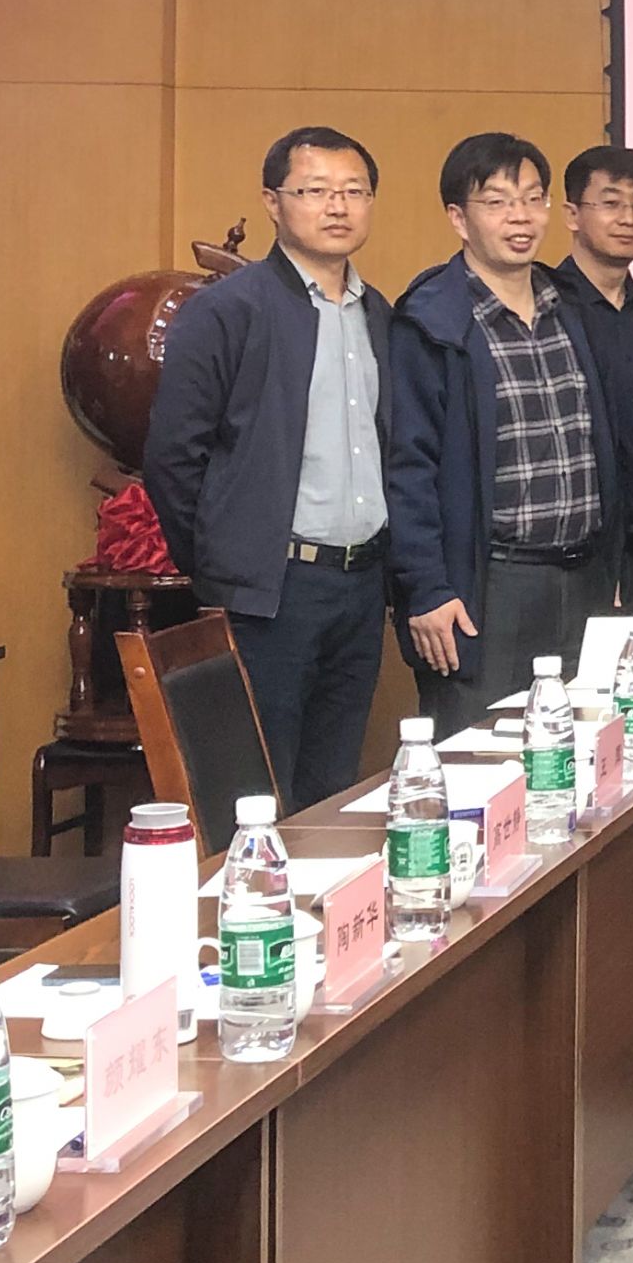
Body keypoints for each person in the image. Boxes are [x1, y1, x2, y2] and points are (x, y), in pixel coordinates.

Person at [139, 125, 394, 810]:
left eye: (354, 191)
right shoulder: (227, 310)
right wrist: (225, 558)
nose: (337, 206)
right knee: (258, 793)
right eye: (315, 191)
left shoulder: (377, 313)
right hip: (270, 589)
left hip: (360, 585)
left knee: (332, 790)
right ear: (273, 201)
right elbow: (172, 457)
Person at [388, 131, 621, 737]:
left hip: (583, 577)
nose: (520, 217)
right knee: (482, 759)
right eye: (496, 202)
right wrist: (427, 588)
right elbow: (407, 468)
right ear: (458, 219)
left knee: (578, 756)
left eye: (532, 198)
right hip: (487, 586)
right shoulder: (431, 322)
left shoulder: (570, 307)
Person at [549, 143, 633, 612]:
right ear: (572, 214)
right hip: (578, 553)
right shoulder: (546, 309)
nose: (629, 218)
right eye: (611, 203)